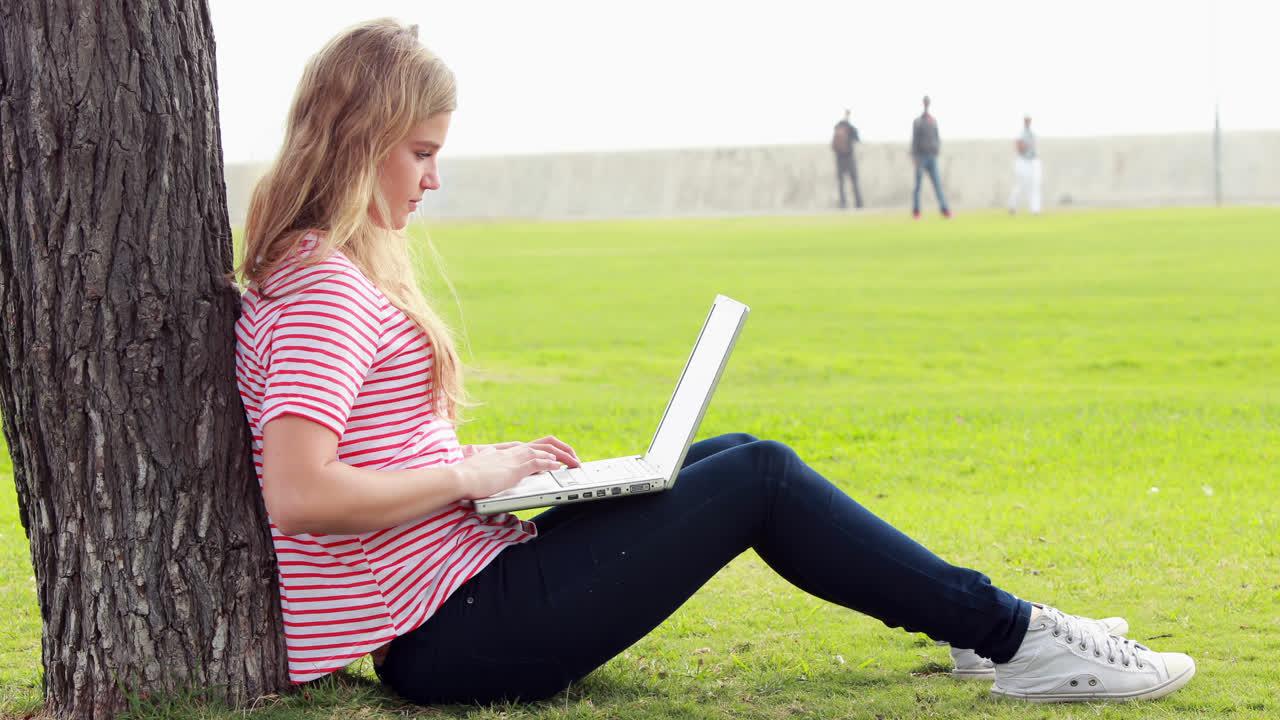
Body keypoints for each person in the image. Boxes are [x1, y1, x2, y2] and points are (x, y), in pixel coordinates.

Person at [234, 18, 1196, 707]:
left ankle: (974, 624)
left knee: (726, 451)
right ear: (362, 142)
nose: (434, 178)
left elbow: (361, 448)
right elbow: (302, 493)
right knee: (761, 479)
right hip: (452, 638)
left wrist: (497, 476)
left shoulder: (324, 271)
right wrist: (470, 474)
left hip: (467, 589)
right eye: (420, 152)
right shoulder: (327, 289)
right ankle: (1016, 637)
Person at [910, 95, 951, 218]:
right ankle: (916, 211)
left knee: (937, 185)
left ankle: (945, 210)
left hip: (932, 157)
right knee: (918, 186)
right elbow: (914, 141)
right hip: (921, 157)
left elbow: (937, 138)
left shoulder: (933, 121)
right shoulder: (917, 122)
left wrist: (936, 151)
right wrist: (915, 157)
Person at [1008, 115, 1042, 215]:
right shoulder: (1020, 133)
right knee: (1020, 185)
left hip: (1033, 161)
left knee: (1035, 185)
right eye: (1027, 120)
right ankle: (1012, 206)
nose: (1028, 122)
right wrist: (1026, 145)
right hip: (1023, 161)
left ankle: (1035, 210)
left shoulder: (1032, 133)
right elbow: (1018, 148)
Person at [831, 109, 863, 209]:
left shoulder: (837, 126)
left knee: (841, 182)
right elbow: (857, 139)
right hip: (849, 157)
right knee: (854, 181)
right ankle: (858, 203)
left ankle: (843, 203)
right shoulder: (850, 127)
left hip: (839, 158)